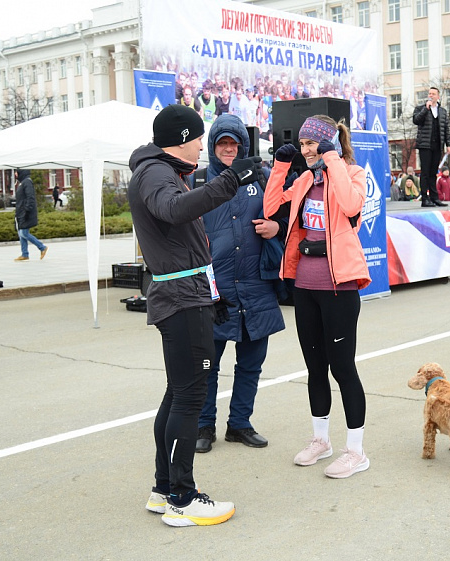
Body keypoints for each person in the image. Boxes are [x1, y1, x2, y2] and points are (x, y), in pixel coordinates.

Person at [128, 103, 262, 527]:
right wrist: (229, 181)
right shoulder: (155, 173)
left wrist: (212, 292)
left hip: (189, 292)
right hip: (180, 297)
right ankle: (182, 497)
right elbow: (172, 210)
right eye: (199, 138)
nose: (202, 146)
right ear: (182, 139)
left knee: (178, 392)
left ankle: (163, 489)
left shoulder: (161, 170)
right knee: (189, 395)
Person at [263, 114, 372, 479]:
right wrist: (280, 165)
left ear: (329, 144)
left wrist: (333, 160)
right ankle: (320, 440)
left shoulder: (352, 174)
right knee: (315, 368)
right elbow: (271, 206)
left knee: (343, 367)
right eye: (305, 143)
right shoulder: (305, 178)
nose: (306, 149)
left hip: (339, 286)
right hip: (305, 286)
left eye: (312, 143)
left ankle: (356, 451)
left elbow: (351, 205)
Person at [192, 114, 286, 453]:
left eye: (234, 144)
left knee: (250, 364)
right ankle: (204, 426)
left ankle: (239, 424)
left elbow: (287, 215)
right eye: (222, 144)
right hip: (214, 290)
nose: (229, 149)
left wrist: (276, 228)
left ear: (243, 145)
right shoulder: (199, 181)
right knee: (208, 366)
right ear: (214, 148)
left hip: (255, 286)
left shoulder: (262, 178)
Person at [412, 87, 450, 208]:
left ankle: (435, 198)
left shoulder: (443, 111)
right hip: (425, 145)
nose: (431, 95)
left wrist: (448, 144)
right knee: (425, 172)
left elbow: (446, 129)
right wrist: (425, 108)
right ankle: (425, 198)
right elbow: (416, 120)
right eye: (429, 94)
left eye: (433, 94)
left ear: (438, 96)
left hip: (437, 145)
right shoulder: (420, 108)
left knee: (433, 173)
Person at [13, 169, 48, 262]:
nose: (15, 174)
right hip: (21, 212)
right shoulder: (22, 183)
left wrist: (26, 210)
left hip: (26, 212)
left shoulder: (27, 182)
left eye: (16, 172)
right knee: (21, 233)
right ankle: (25, 254)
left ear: (21, 172)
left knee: (23, 233)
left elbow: (30, 197)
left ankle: (42, 247)